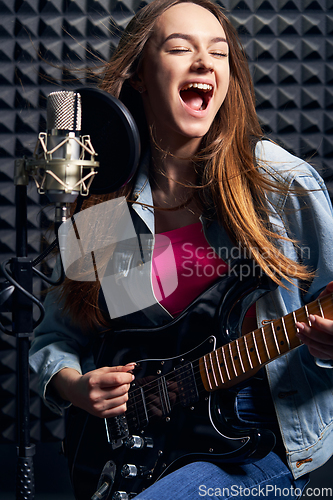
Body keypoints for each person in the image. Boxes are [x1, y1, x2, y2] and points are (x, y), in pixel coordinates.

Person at [29, 0, 333, 499]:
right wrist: (75, 386)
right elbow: (57, 337)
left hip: (259, 438)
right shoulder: (107, 204)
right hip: (140, 444)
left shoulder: (279, 185)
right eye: (179, 48)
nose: (204, 63)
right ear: (142, 76)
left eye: (219, 53)